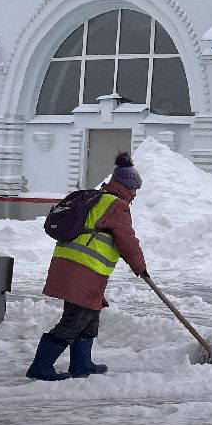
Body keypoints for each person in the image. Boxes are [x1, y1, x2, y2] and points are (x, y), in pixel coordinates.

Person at [26, 152, 149, 380]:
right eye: (133, 189)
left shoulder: (99, 198)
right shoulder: (117, 205)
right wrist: (140, 267)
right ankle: (41, 367)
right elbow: (126, 239)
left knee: (90, 316)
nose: (134, 194)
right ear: (124, 186)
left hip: (76, 266)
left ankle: (82, 363)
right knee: (75, 319)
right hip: (83, 269)